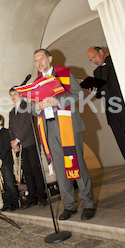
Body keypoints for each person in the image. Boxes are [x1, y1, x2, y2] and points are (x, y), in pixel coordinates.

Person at [32, 49, 96, 221]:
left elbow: (78, 93)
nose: (39, 62)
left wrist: (57, 101)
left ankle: (88, 204)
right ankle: (69, 206)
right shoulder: (36, 83)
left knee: (78, 165)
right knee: (60, 170)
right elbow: (32, 108)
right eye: (36, 60)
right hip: (50, 129)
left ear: (49, 59)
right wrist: (36, 107)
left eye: (41, 58)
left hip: (67, 124)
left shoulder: (64, 73)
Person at [87, 46, 125, 192]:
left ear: (102, 52)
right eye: (91, 60)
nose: (94, 61)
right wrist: (94, 91)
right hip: (111, 115)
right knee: (124, 148)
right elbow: (101, 93)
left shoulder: (115, 60)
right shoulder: (96, 72)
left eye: (95, 57)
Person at [9, 87, 47, 209]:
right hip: (20, 146)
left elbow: (28, 124)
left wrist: (17, 139)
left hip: (30, 142)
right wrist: (13, 144)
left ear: (20, 95)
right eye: (11, 95)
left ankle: (42, 196)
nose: (13, 96)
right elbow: (10, 129)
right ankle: (32, 198)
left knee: (35, 170)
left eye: (15, 94)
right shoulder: (11, 112)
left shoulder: (27, 106)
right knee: (27, 172)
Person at [0, 114, 19, 211]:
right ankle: (6, 203)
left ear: (0, 122)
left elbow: (7, 146)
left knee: (10, 182)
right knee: (2, 184)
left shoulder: (6, 132)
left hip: (5, 161)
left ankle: (14, 203)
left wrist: (1, 159)